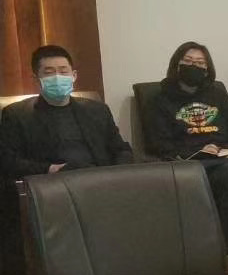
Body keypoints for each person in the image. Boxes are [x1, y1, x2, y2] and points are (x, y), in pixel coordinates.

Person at [146, 42, 228, 260]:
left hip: (224, 159)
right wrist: (197, 150)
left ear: (207, 68)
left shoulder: (217, 94)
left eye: (200, 63)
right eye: (188, 61)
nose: (194, 66)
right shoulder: (159, 100)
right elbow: (159, 143)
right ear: (176, 65)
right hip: (191, 166)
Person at [0, 45, 132, 177]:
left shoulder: (98, 110)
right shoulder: (17, 115)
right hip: (53, 182)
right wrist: (49, 169)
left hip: (98, 179)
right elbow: (8, 161)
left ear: (73, 76)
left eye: (63, 72)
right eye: (49, 73)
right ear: (36, 79)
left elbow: (121, 149)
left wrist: (117, 174)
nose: (57, 77)